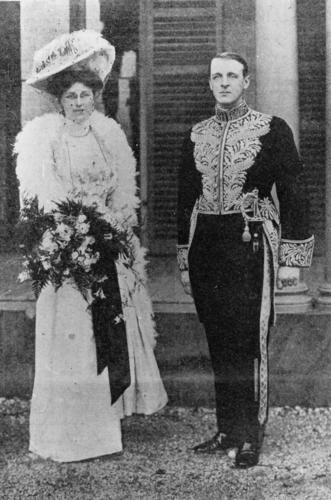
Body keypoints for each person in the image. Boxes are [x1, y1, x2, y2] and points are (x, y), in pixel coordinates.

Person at [15, 30, 167, 463]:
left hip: (105, 244)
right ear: (60, 100)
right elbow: (41, 199)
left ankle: (103, 431)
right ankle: (64, 433)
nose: (79, 103)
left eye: (85, 95)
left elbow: (122, 191)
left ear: (95, 97)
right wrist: (67, 234)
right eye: (71, 96)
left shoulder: (108, 134)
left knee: (107, 331)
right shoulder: (45, 139)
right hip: (67, 250)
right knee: (72, 339)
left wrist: (116, 227)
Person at [177, 52, 314, 468]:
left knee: (249, 342)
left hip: (250, 242)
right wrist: (183, 256)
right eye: (216, 76)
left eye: (231, 76)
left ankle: (250, 436)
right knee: (218, 341)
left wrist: (291, 258)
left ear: (246, 82)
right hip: (208, 248)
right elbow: (184, 200)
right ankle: (226, 430)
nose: (223, 83)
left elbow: (293, 191)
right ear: (209, 83)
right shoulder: (196, 134)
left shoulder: (272, 129)